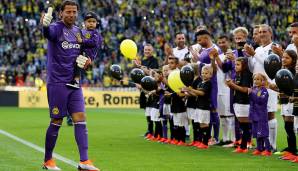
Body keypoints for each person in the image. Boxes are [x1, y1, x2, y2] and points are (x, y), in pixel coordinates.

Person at [41, 1, 99, 170]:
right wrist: (44, 26)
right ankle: (47, 160)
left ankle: (84, 161)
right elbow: (47, 32)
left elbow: (82, 57)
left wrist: (87, 62)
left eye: (74, 12)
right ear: (61, 14)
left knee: (80, 118)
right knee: (57, 119)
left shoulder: (78, 32)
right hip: (57, 82)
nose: (72, 15)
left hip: (74, 82)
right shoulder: (56, 28)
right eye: (68, 12)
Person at [245, 24, 278, 152]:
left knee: (270, 114)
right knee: (259, 115)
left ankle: (273, 145)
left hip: (269, 85)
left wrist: (254, 54)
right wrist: (249, 57)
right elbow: (254, 68)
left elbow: (269, 65)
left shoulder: (274, 47)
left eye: (264, 31)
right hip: (256, 87)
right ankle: (263, 145)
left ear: (270, 33)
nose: (262, 34)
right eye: (260, 32)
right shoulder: (258, 49)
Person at [66, 11, 102, 89]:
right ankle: (71, 79)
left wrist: (82, 41)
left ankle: (76, 81)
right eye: (89, 21)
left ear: (96, 23)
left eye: (93, 21)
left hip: (88, 56)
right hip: (80, 52)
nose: (91, 23)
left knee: (79, 61)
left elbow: (94, 43)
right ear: (84, 23)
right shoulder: (82, 31)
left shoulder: (96, 33)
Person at [226, 57, 253, 153]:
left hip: (243, 102)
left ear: (244, 65)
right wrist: (231, 84)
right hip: (238, 101)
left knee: (244, 126)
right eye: (235, 64)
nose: (235, 67)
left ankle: (244, 147)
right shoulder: (238, 74)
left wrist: (232, 85)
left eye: (238, 65)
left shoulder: (246, 74)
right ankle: (243, 146)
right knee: (242, 125)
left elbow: (246, 89)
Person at [249, 73, 271, 156]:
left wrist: (251, 94)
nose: (256, 81)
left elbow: (260, 101)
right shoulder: (253, 89)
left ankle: (268, 150)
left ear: (263, 81)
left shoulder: (264, 91)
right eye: (255, 79)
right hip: (254, 115)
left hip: (261, 115)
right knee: (257, 133)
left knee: (263, 133)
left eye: (258, 79)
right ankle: (259, 149)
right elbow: (251, 103)